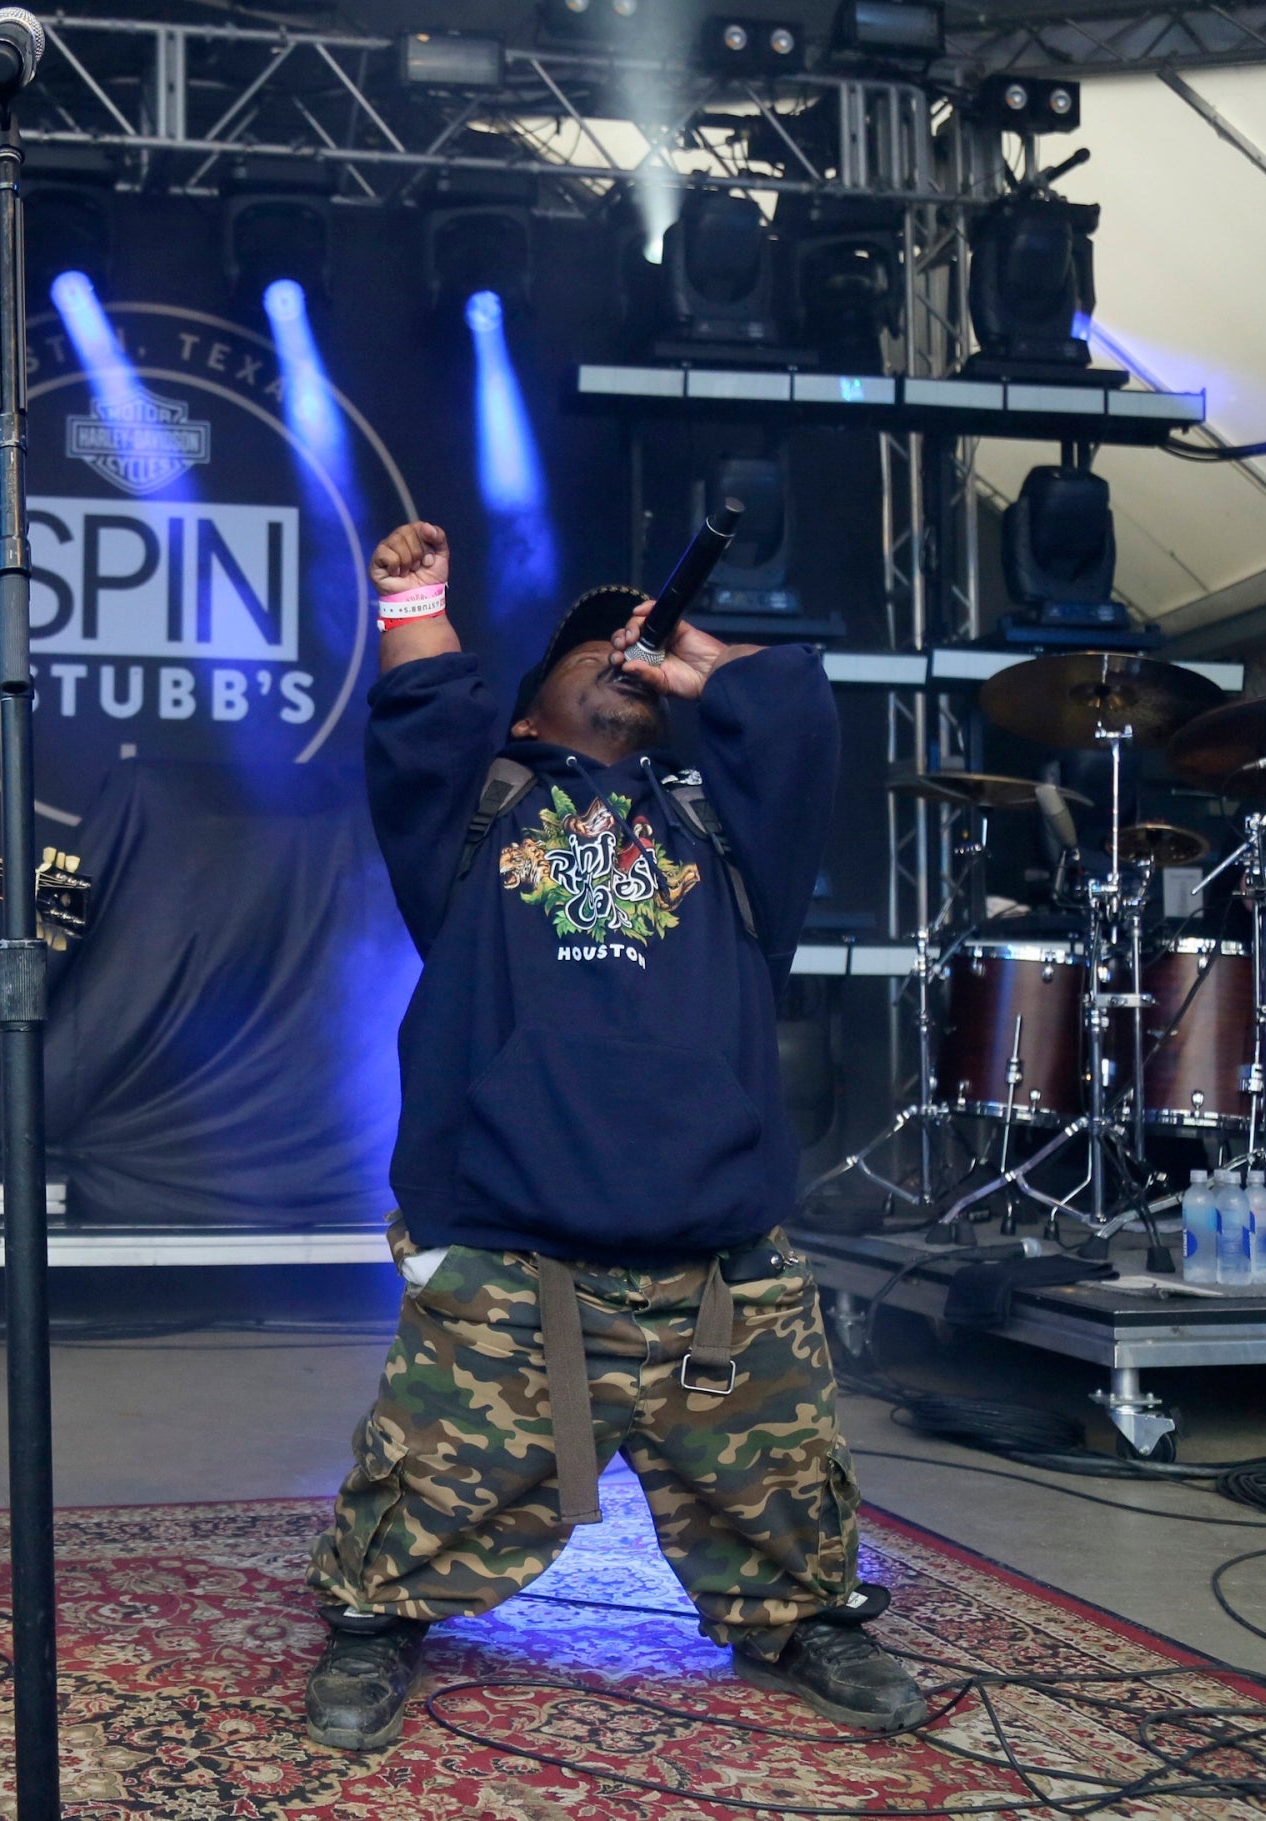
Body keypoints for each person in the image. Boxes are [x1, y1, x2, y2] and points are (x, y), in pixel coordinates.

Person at [301, 521, 923, 1752]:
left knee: (788, 1513)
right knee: (412, 1508)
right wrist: (412, 594)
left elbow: (792, 732)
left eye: (649, 640)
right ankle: (374, 1631)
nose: (626, 652)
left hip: (719, 1273)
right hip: (506, 1265)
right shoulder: (476, 816)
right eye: (598, 642)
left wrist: (695, 656)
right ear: (531, 698)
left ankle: (810, 1620)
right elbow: (420, 710)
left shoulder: (728, 830)